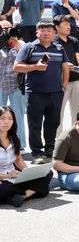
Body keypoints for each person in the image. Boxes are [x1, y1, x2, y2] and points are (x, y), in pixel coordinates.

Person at [13, 19, 70, 165]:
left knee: (53, 122)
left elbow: (65, 68)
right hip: (35, 93)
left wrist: (63, 87)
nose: (46, 33)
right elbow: (17, 67)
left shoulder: (58, 48)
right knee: (35, 124)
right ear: (37, 32)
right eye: (43, 30)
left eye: (49, 30)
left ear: (54, 33)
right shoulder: (29, 47)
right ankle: (37, 152)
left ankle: (50, 148)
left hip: (56, 93)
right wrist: (35, 67)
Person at [0, 106, 52, 207]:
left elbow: (18, 160)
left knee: (47, 173)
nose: (6, 122)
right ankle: (34, 191)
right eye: (2, 118)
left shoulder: (14, 138)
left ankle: (22, 196)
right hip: (3, 179)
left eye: (10, 119)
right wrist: (8, 176)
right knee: (2, 187)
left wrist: (28, 174)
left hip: (13, 177)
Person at [53, 16, 79, 140]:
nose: (68, 27)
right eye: (65, 24)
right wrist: (64, 66)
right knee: (58, 112)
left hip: (76, 79)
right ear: (57, 27)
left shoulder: (73, 40)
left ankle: (75, 137)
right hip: (60, 82)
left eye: (69, 25)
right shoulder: (53, 42)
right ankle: (59, 139)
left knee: (77, 110)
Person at [0, 23, 26, 152]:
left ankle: (19, 144)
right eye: (4, 30)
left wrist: (15, 42)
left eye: (9, 29)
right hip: (1, 84)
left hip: (16, 85)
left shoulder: (20, 43)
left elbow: (24, 57)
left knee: (18, 116)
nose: (7, 33)